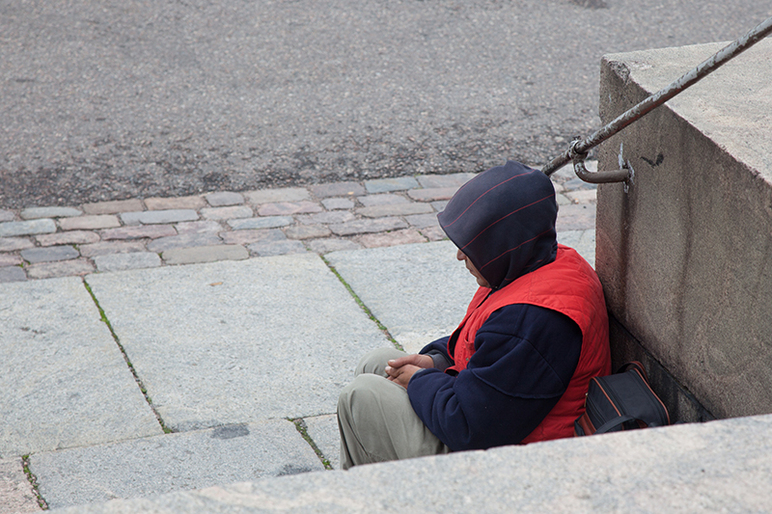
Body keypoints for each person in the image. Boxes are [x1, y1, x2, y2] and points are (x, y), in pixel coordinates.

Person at [337, 160, 611, 469]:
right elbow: (483, 341)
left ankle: (368, 493)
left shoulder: (532, 319)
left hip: (518, 462)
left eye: (472, 245)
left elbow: (470, 428)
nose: (460, 254)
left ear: (502, 245)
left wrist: (419, 381)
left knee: (362, 396)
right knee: (377, 362)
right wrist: (435, 361)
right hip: (496, 420)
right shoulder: (535, 262)